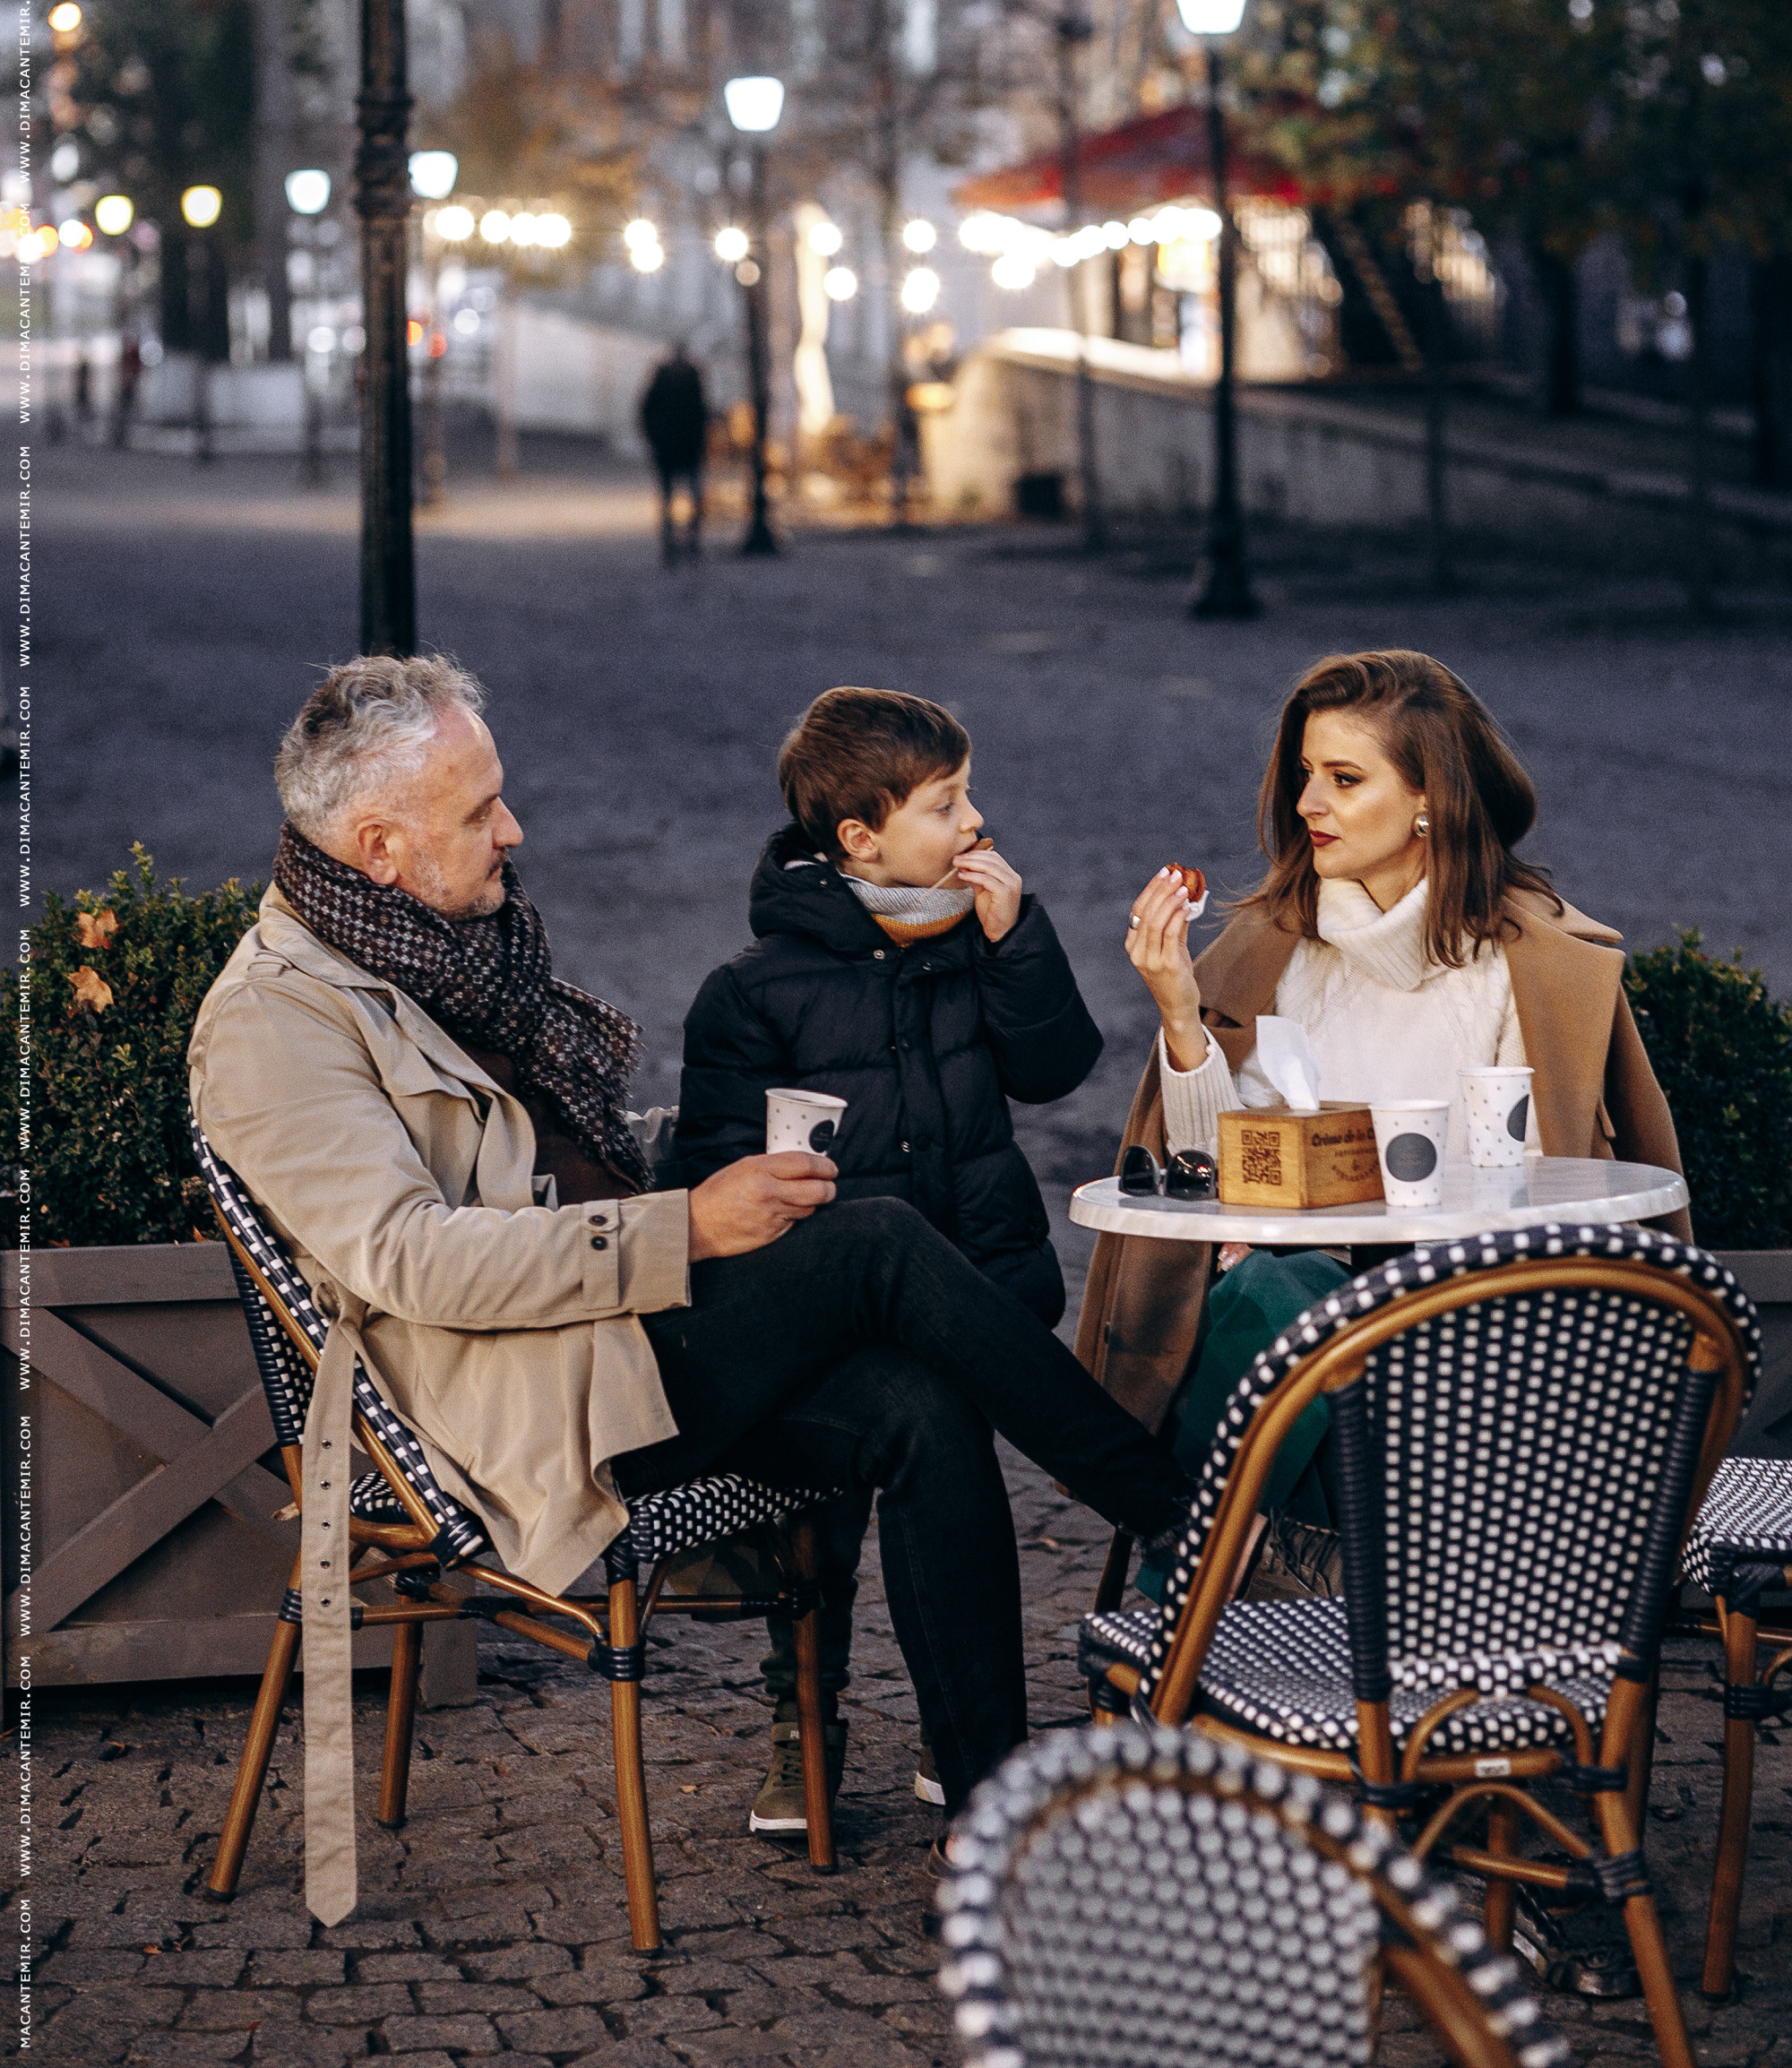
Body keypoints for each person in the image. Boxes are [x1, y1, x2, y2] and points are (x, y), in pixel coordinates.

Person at [188, 655, 1190, 1926]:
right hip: (523, 1405)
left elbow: (557, 1163)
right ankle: (1168, 1513)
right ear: (380, 848)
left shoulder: (443, 944)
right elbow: (415, 1260)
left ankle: (988, 1822)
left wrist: (698, 1188)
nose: (515, 829)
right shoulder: (278, 1023)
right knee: (877, 1241)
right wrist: (684, 1225)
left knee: (917, 1397)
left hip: (620, 1337)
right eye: (479, 810)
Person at [1074, 647, 1688, 1586]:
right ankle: (1259, 1589)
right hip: (1292, 1305)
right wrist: (1178, 1013)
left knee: (1281, 1306)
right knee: (1276, 1293)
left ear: (1428, 800)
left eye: (1343, 779)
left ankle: (1186, 1583)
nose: (1306, 804)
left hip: (1467, 1320)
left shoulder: (1526, 964)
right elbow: (1216, 1165)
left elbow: (1538, 1182)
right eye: (1303, 776)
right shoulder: (1275, 945)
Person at [673, 685, 1101, 1834]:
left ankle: (954, 1735)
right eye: (947, 803)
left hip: (974, 1288)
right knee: (820, 1528)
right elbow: (713, 1181)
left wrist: (1022, 945)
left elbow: (1057, 1068)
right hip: (829, 1322)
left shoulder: (976, 943)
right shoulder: (750, 993)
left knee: (945, 1482)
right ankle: (799, 1720)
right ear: (860, 838)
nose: (975, 822)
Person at [639, 343, 708, 558]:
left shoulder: (687, 379)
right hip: (676, 449)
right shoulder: (685, 379)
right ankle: (677, 543)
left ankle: (683, 543)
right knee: (673, 498)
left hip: (681, 448)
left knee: (683, 498)